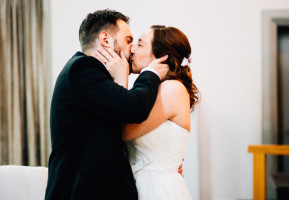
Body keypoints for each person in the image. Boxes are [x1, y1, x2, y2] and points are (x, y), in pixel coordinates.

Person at [44, 10, 169, 200]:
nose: (132, 49)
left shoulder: (92, 74)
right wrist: (150, 74)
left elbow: (117, 127)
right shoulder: (82, 68)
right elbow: (134, 108)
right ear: (105, 39)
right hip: (81, 191)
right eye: (128, 40)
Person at [97, 25, 198, 199]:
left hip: (159, 189)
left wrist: (121, 79)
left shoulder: (172, 88)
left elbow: (125, 131)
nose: (132, 49)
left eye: (140, 44)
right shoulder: (151, 90)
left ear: (162, 56)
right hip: (141, 185)